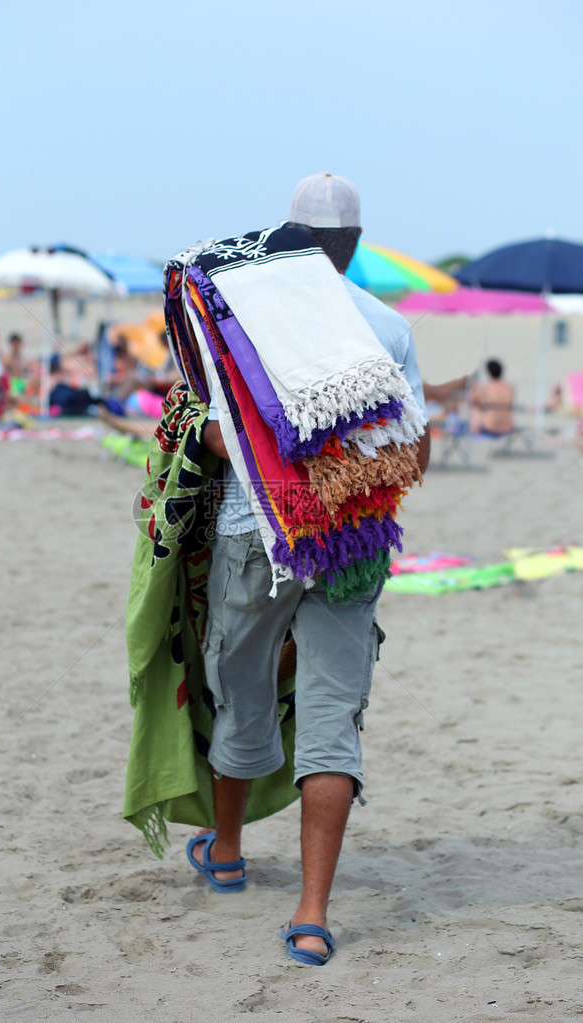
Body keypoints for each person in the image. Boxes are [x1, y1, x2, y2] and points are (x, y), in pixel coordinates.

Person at [187, 173, 430, 966]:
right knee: (333, 715)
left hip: (253, 532)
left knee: (242, 686)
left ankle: (225, 851)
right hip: (353, 545)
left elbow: (217, 437)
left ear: (284, 235)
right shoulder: (387, 325)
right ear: (354, 245)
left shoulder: (237, 318)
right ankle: (312, 913)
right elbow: (415, 450)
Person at [469, 359, 514, 435]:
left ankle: (474, 427)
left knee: (475, 407)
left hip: (490, 427)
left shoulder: (484, 389)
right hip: (508, 426)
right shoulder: (509, 388)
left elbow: (471, 402)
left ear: (488, 373)